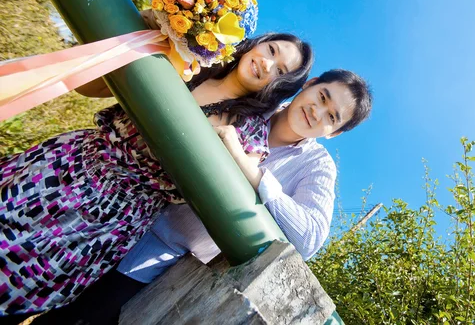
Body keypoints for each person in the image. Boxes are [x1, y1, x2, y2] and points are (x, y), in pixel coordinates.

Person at [0, 33, 313, 319]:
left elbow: (241, 174)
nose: (267, 64)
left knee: (20, 282)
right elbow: (89, 86)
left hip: (110, 217)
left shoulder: (249, 132)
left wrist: (231, 145)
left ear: (279, 88)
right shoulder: (191, 60)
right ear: (257, 44)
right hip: (64, 166)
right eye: (271, 50)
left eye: (281, 72)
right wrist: (151, 35)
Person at [30, 69, 373, 325]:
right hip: (112, 209)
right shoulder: (257, 99)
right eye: (323, 97)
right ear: (309, 85)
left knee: (75, 318)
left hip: (157, 254)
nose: (317, 112)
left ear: (335, 133)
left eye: (331, 117)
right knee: (30, 282)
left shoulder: (316, 165)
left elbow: (309, 238)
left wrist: (249, 169)